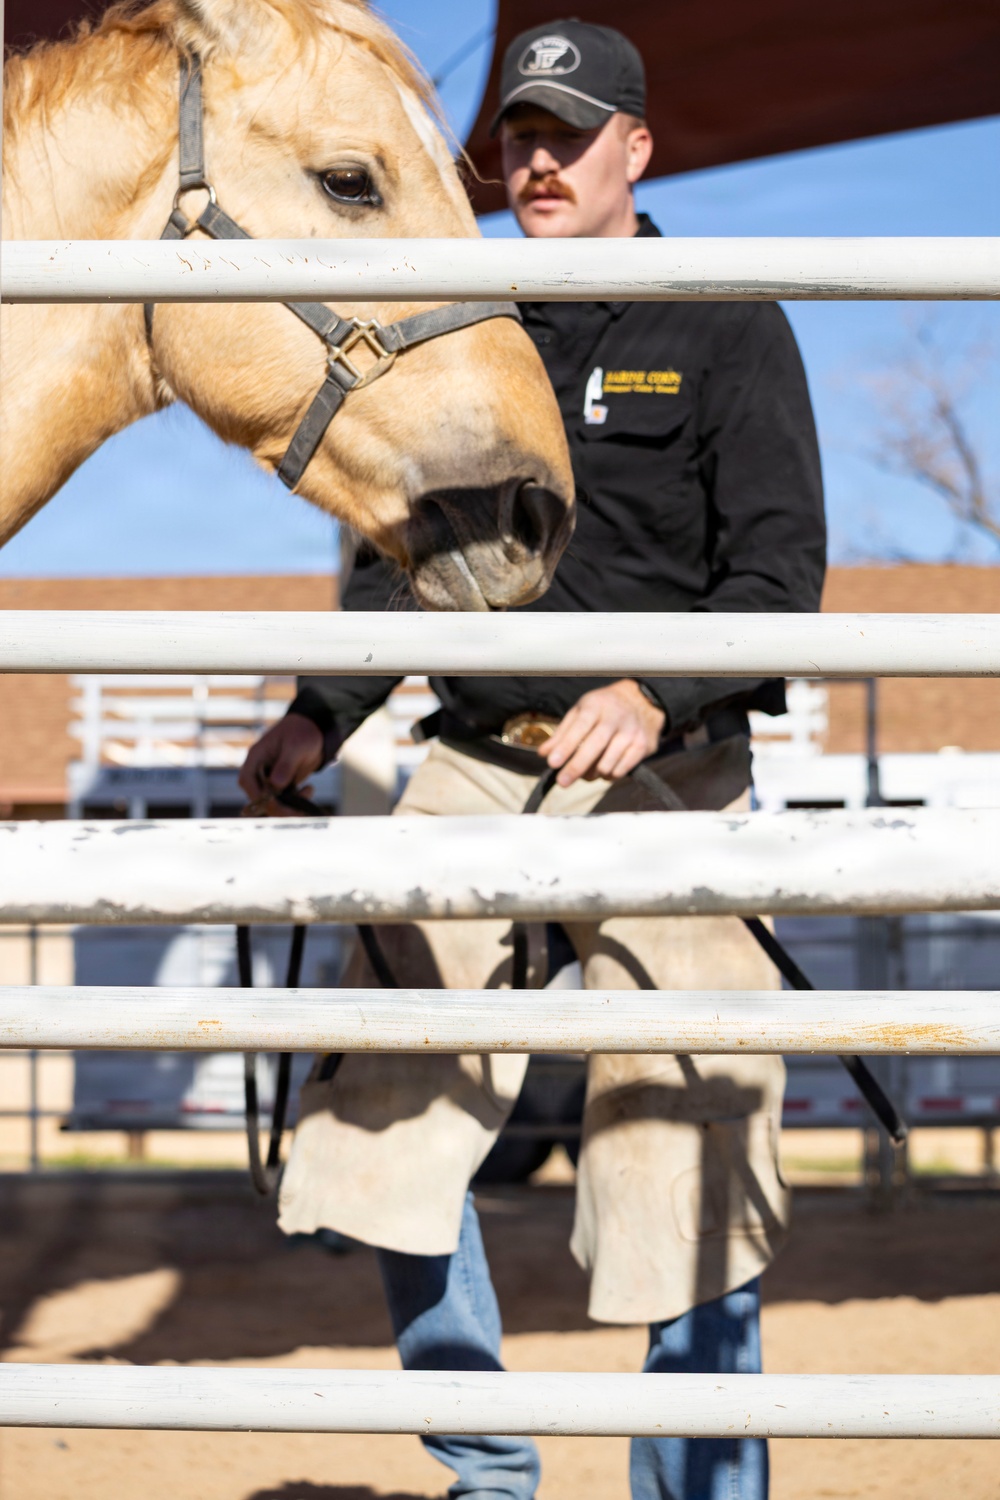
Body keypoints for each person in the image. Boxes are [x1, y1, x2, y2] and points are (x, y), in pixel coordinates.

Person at [240, 20, 826, 1500]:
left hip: (672, 771)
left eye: (569, 133)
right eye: (519, 137)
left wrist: (658, 694)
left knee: (690, 1145)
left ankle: (694, 1495)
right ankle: (490, 1471)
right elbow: (398, 554)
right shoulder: (459, 311)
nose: (539, 160)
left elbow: (777, 579)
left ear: (640, 148)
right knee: (381, 1121)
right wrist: (326, 708)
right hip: (478, 759)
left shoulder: (727, 320)